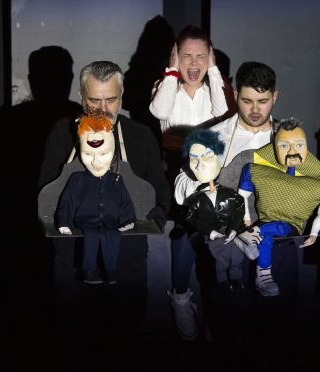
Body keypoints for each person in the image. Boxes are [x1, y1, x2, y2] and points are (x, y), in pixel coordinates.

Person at [168, 61, 278, 341]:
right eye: (247, 101)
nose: (255, 110)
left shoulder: (287, 138)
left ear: (275, 97)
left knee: (275, 328)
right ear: (235, 94)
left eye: (263, 101)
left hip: (274, 242)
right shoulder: (214, 136)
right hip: (228, 240)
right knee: (228, 327)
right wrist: (201, 178)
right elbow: (180, 188)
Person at [39, 60, 170, 229]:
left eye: (111, 99)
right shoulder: (64, 133)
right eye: (94, 100)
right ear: (81, 96)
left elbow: (160, 193)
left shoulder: (142, 136)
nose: (103, 109)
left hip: (128, 241)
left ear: (121, 94)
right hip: (73, 240)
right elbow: (46, 188)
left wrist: (154, 218)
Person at [236, 117, 320, 296]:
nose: (292, 151)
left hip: (289, 232)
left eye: (299, 145)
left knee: (277, 231)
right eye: (284, 145)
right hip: (260, 236)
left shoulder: (319, 182)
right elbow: (242, 196)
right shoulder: (256, 169)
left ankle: (253, 235)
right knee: (266, 239)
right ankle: (263, 276)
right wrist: (245, 217)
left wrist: (314, 233)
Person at [55, 114, 136, 285]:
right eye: (88, 154)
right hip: (85, 222)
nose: (96, 161)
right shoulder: (77, 179)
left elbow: (125, 202)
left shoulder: (116, 179)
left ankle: (111, 270)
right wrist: (63, 222)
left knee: (113, 237)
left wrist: (128, 220)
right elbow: (67, 202)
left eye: (103, 153)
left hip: (111, 222)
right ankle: (89, 271)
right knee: (91, 238)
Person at [149, 25, 229, 185]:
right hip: (174, 164)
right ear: (176, 57)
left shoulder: (215, 86)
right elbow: (160, 112)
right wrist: (172, 69)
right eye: (187, 56)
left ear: (209, 58)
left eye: (201, 56)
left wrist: (213, 69)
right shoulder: (164, 85)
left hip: (209, 165)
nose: (194, 62)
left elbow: (221, 111)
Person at [181, 130, 245, 290]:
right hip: (212, 237)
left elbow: (239, 206)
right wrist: (209, 232)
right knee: (218, 259)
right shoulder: (197, 198)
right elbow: (190, 218)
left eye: (207, 157)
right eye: (193, 159)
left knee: (236, 255)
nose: (199, 165)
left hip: (231, 233)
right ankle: (221, 281)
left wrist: (234, 227)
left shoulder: (230, 193)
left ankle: (236, 278)